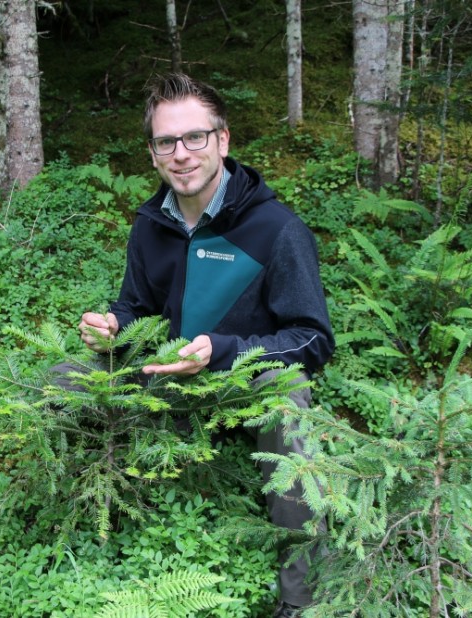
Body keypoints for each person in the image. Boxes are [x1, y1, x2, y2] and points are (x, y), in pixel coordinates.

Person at [77, 72, 334, 617]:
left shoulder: (277, 229)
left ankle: (302, 596)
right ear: (152, 153)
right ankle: (96, 519)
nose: (181, 154)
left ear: (223, 140)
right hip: (169, 380)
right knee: (63, 376)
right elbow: (136, 307)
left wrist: (224, 352)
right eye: (166, 142)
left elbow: (311, 338)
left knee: (286, 392)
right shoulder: (151, 223)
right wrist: (112, 327)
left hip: (243, 383)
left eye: (195, 137)